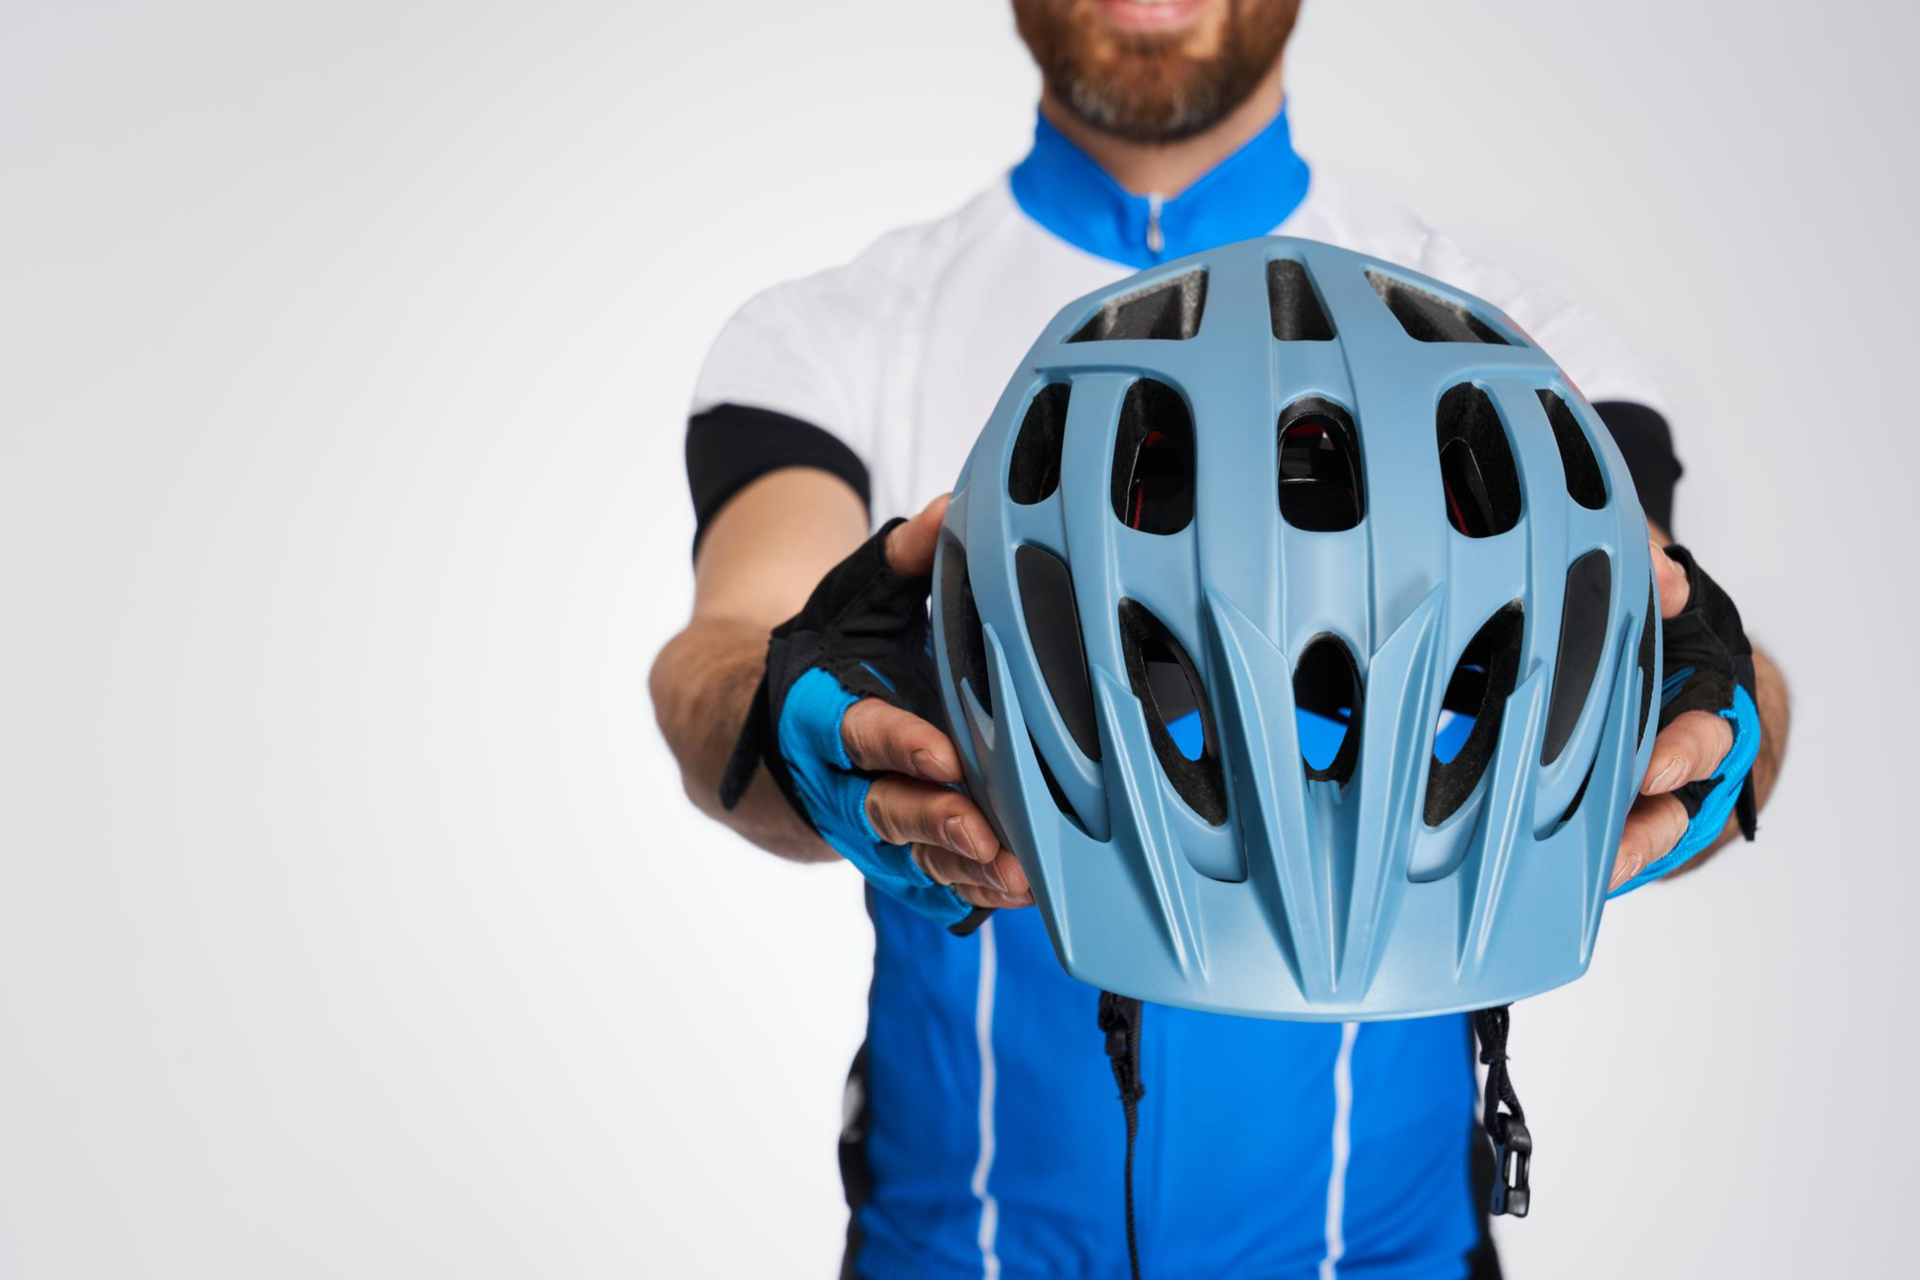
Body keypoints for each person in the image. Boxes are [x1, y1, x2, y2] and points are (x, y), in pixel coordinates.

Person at [652, 1, 1792, 1274]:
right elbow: (728, 650)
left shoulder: (1524, 353)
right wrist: (787, 719)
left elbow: (1688, 642)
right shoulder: (843, 335)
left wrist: (1725, 726)